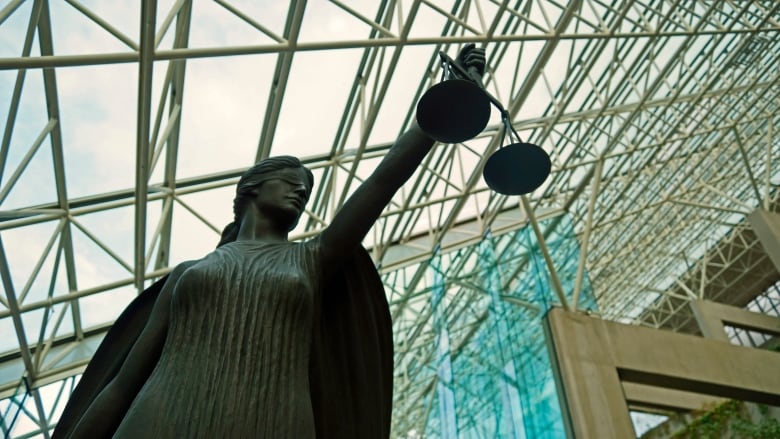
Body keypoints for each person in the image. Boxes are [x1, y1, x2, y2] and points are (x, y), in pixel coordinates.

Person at [52, 44, 486, 439]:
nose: (301, 193)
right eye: (291, 182)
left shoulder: (312, 260)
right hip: (162, 417)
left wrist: (447, 107)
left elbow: (381, 181)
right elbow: (124, 381)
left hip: (272, 418)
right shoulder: (188, 273)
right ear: (251, 189)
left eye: (307, 190)